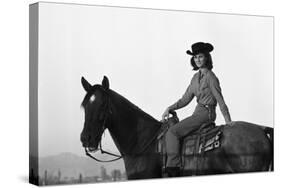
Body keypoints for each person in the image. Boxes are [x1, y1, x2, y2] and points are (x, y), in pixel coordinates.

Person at [162, 42, 233, 177]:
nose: (198, 60)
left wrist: (228, 121)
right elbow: (185, 99)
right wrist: (169, 108)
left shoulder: (211, 77)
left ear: (206, 58)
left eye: (200, 57)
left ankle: (173, 168)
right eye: (195, 58)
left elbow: (220, 99)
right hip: (198, 112)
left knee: (172, 132)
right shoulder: (195, 77)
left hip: (207, 113)